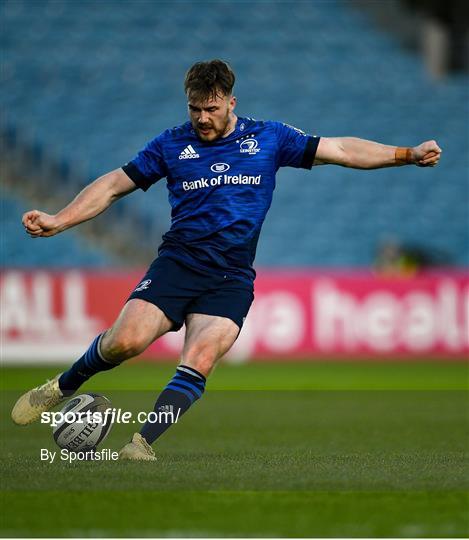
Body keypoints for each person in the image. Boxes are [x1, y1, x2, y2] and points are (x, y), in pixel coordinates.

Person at [11, 59, 442, 460]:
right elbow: (112, 186)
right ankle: (62, 386)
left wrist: (406, 154)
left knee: (200, 358)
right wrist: (60, 219)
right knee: (126, 342)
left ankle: (142, 443)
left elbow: (343, 150)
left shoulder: (269, 138)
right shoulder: (171, 144)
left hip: (231, 276)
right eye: (195, 108)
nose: (201, 118)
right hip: (178, 264)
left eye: (211, 108)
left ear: (231, 102)